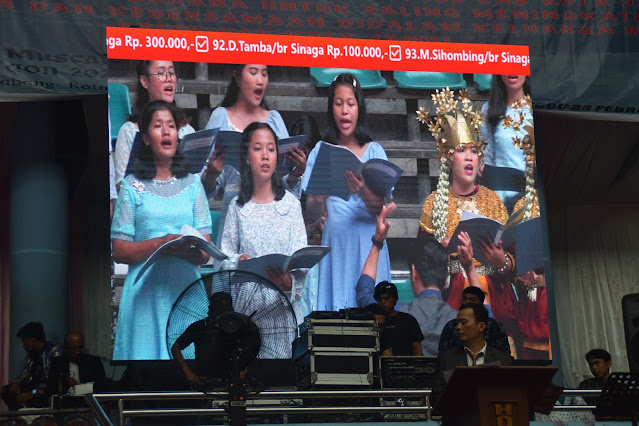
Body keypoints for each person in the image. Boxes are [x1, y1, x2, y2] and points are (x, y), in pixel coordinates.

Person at [111, 100, 212, 360]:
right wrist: (160, 243)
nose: (166, 131)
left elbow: (205, 252)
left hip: (186, 293)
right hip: (144, 294)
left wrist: (184, 248)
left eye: (171, 126)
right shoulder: (132, 186)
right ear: (146, 138)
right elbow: (119, 250)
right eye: (158, 126)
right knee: (147, 372)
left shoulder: (193, 184)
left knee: (189, 372)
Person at [417, 88, 517, 336]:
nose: (469, 157)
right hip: (452, 302)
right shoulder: (434, 203)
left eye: (473, 150)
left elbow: (513, 257)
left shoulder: (492, 201)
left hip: (493, 298)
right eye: (461, 150)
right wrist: (439, 256)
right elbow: (421, 265)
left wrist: (502, 262)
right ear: (449, 158)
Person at [302, 73, 390, 311]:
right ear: (331, 108)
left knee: (373, 315)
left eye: (350, 104)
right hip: (337, 245)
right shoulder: (321, 150)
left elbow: (380, 207)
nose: (344, 111)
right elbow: (312, 213)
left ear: (359, 108)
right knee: (338, 317)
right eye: (338, 103)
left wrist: (362, 189)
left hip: (369, 243)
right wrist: (318, 197)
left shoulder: (375, 151)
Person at [218, 122, 307, 355]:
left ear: (277, 157)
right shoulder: (237, 206)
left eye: (271, 149)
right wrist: (239, 261)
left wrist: (288, 284)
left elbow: (302, 265)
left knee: (281, 372)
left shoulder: (291, 205)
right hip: (246, 314)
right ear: (247, 157)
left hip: (282, 311)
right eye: (257, 149)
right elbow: (224, 261)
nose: (265, 155)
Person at [203, 64, 302, 247]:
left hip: (272, 217)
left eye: (264, 74)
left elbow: (284, 181)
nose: (260, 80)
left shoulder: (274, 120)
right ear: (237, 77)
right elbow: (204, 186)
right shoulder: (221, 117)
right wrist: (211, 174)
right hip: (236, 214)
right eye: (253, 73)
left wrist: (296, 172)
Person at [353, 201, 455, 356]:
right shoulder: (460, 321)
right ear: (446, 277)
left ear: (414, 272)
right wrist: (469, 268)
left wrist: (377, 242)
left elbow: (364, 292)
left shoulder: (396, 315)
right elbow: (487, 315)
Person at [113, 60, 195, 188]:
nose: (169, 79)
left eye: (172, 73)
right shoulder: (130, 131)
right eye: (161, 73)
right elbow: (121, 186)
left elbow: (200, 185)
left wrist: (211, 173)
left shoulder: (187, 131)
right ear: (144, 81)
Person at [432, 303, 514, 425]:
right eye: (457, 323)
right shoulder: (446, 358)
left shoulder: (503, 360)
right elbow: (436, 398)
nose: (458, 327)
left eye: (464, 322)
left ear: (481, 326)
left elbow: (509, 398)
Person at [171, 292, 261, 389]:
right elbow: (176, 348)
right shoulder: (199, 327)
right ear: (210, 310)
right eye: (218, 313)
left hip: (232, 383)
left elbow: (250, 348)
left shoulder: (238, 327)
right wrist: (189, 374)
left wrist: (245, 368)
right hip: (204, 383)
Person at [480, 75, 532, 212]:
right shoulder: (488, 110)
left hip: (534, 196)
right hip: (501, 198)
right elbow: (486, 158)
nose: (512, 72)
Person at [1, 322, 62, 410]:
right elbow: (25, 374)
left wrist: (32, 393)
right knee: (5, 390)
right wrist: (16, 383)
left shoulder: (54, 351)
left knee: (39, 397)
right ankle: (20, 414)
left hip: (45, 391)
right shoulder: (31, 355)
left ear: (32, 340)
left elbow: (53, 383)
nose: (23, 346)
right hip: (33, 388)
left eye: (24, 342)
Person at [438, 286, 510, 354]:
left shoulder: (493, 325)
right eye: (465, 299)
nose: (467, 302)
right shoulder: (451, 325)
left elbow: (504, 352)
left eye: (472, 299)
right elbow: (443, 352)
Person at [46, 332, 106, 398]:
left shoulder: (94, 362)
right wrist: (65, 382)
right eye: (73, 348)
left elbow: (102, 385)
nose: (77, 352)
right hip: (65, 400)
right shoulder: (57, 362)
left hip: (88, 400)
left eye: (80, 348)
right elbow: (50, 388)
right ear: (65, 348)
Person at [373, 281, 423, 356]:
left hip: (406, 363)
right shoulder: (373, 322)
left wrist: (419, 363)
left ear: (395, 300)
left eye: (387, 298)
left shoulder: (408, 320)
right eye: (380, 299)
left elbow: (417, 349)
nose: (383, 302)